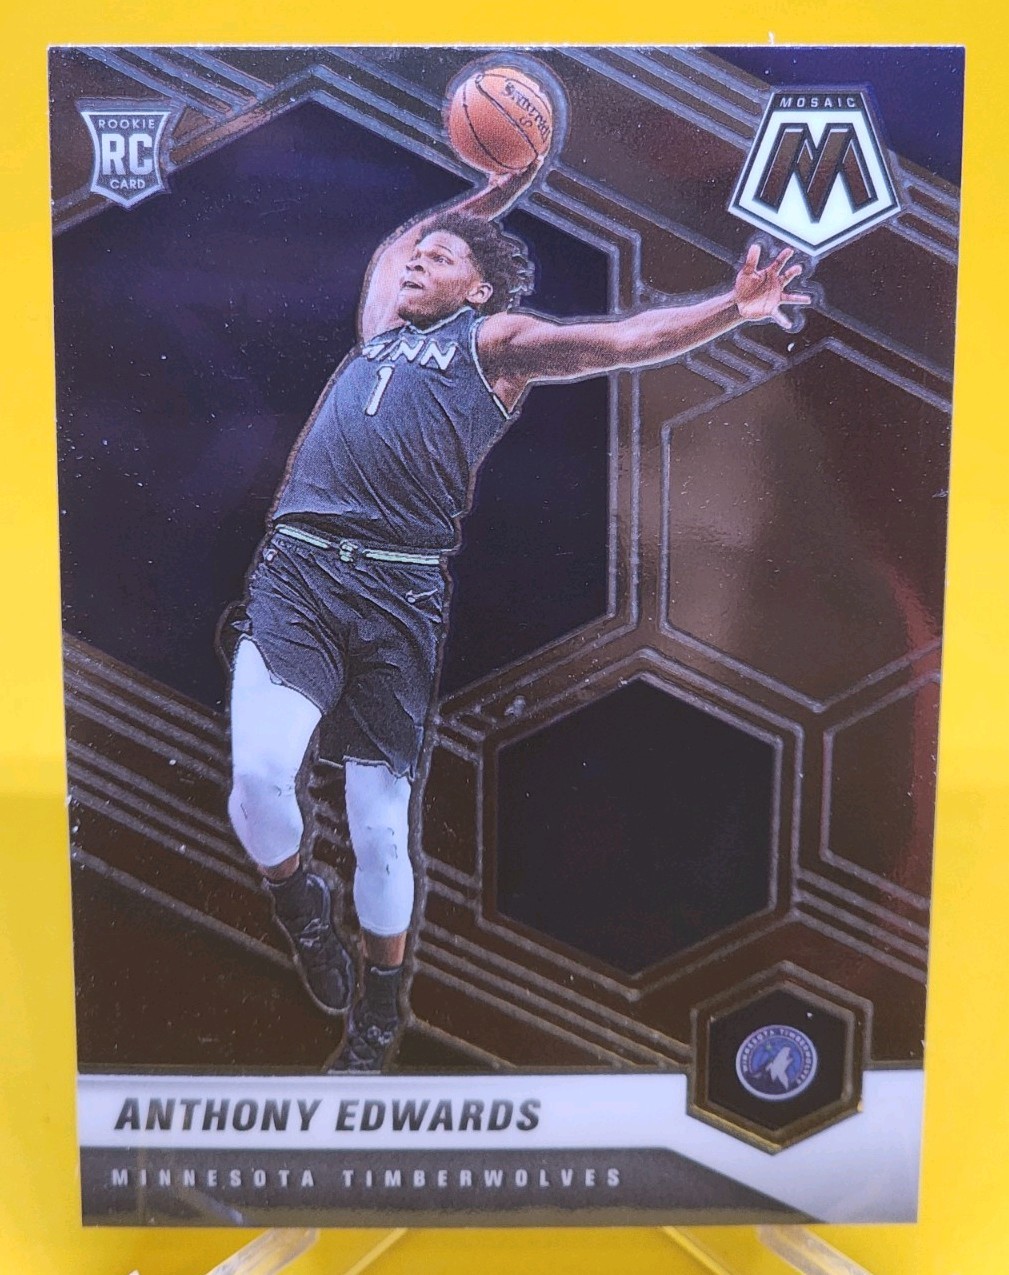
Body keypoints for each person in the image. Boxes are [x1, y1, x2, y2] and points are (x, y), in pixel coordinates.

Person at [223, 154, 811, 1072]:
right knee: (260, 778)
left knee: (380, 830)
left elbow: (618, 341)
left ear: (479, 289)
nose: (420, 256)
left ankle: (380, 1001)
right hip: (298, 572)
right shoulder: (381, 327)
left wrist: (729, 309)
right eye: (421, 250)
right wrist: (496, 188)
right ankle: (299, 900)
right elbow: (394, 245)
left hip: (398, 595)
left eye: (443, 254)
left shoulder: (495, 345)